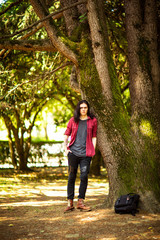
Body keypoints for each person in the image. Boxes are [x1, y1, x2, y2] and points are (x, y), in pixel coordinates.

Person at [63, 100, 97, 213]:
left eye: (85, 107)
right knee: (71, 176)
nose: (83, 109)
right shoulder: (73, 120)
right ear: (79, 109)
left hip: (86, 154)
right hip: (73, 153)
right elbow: (66, 135)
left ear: (88, 109)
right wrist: (66, 149)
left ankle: (80, 202)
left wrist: (93, 150)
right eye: (81, 107)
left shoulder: (93, 121)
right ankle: (70, 203)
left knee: (84, 176)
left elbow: (94, 137)